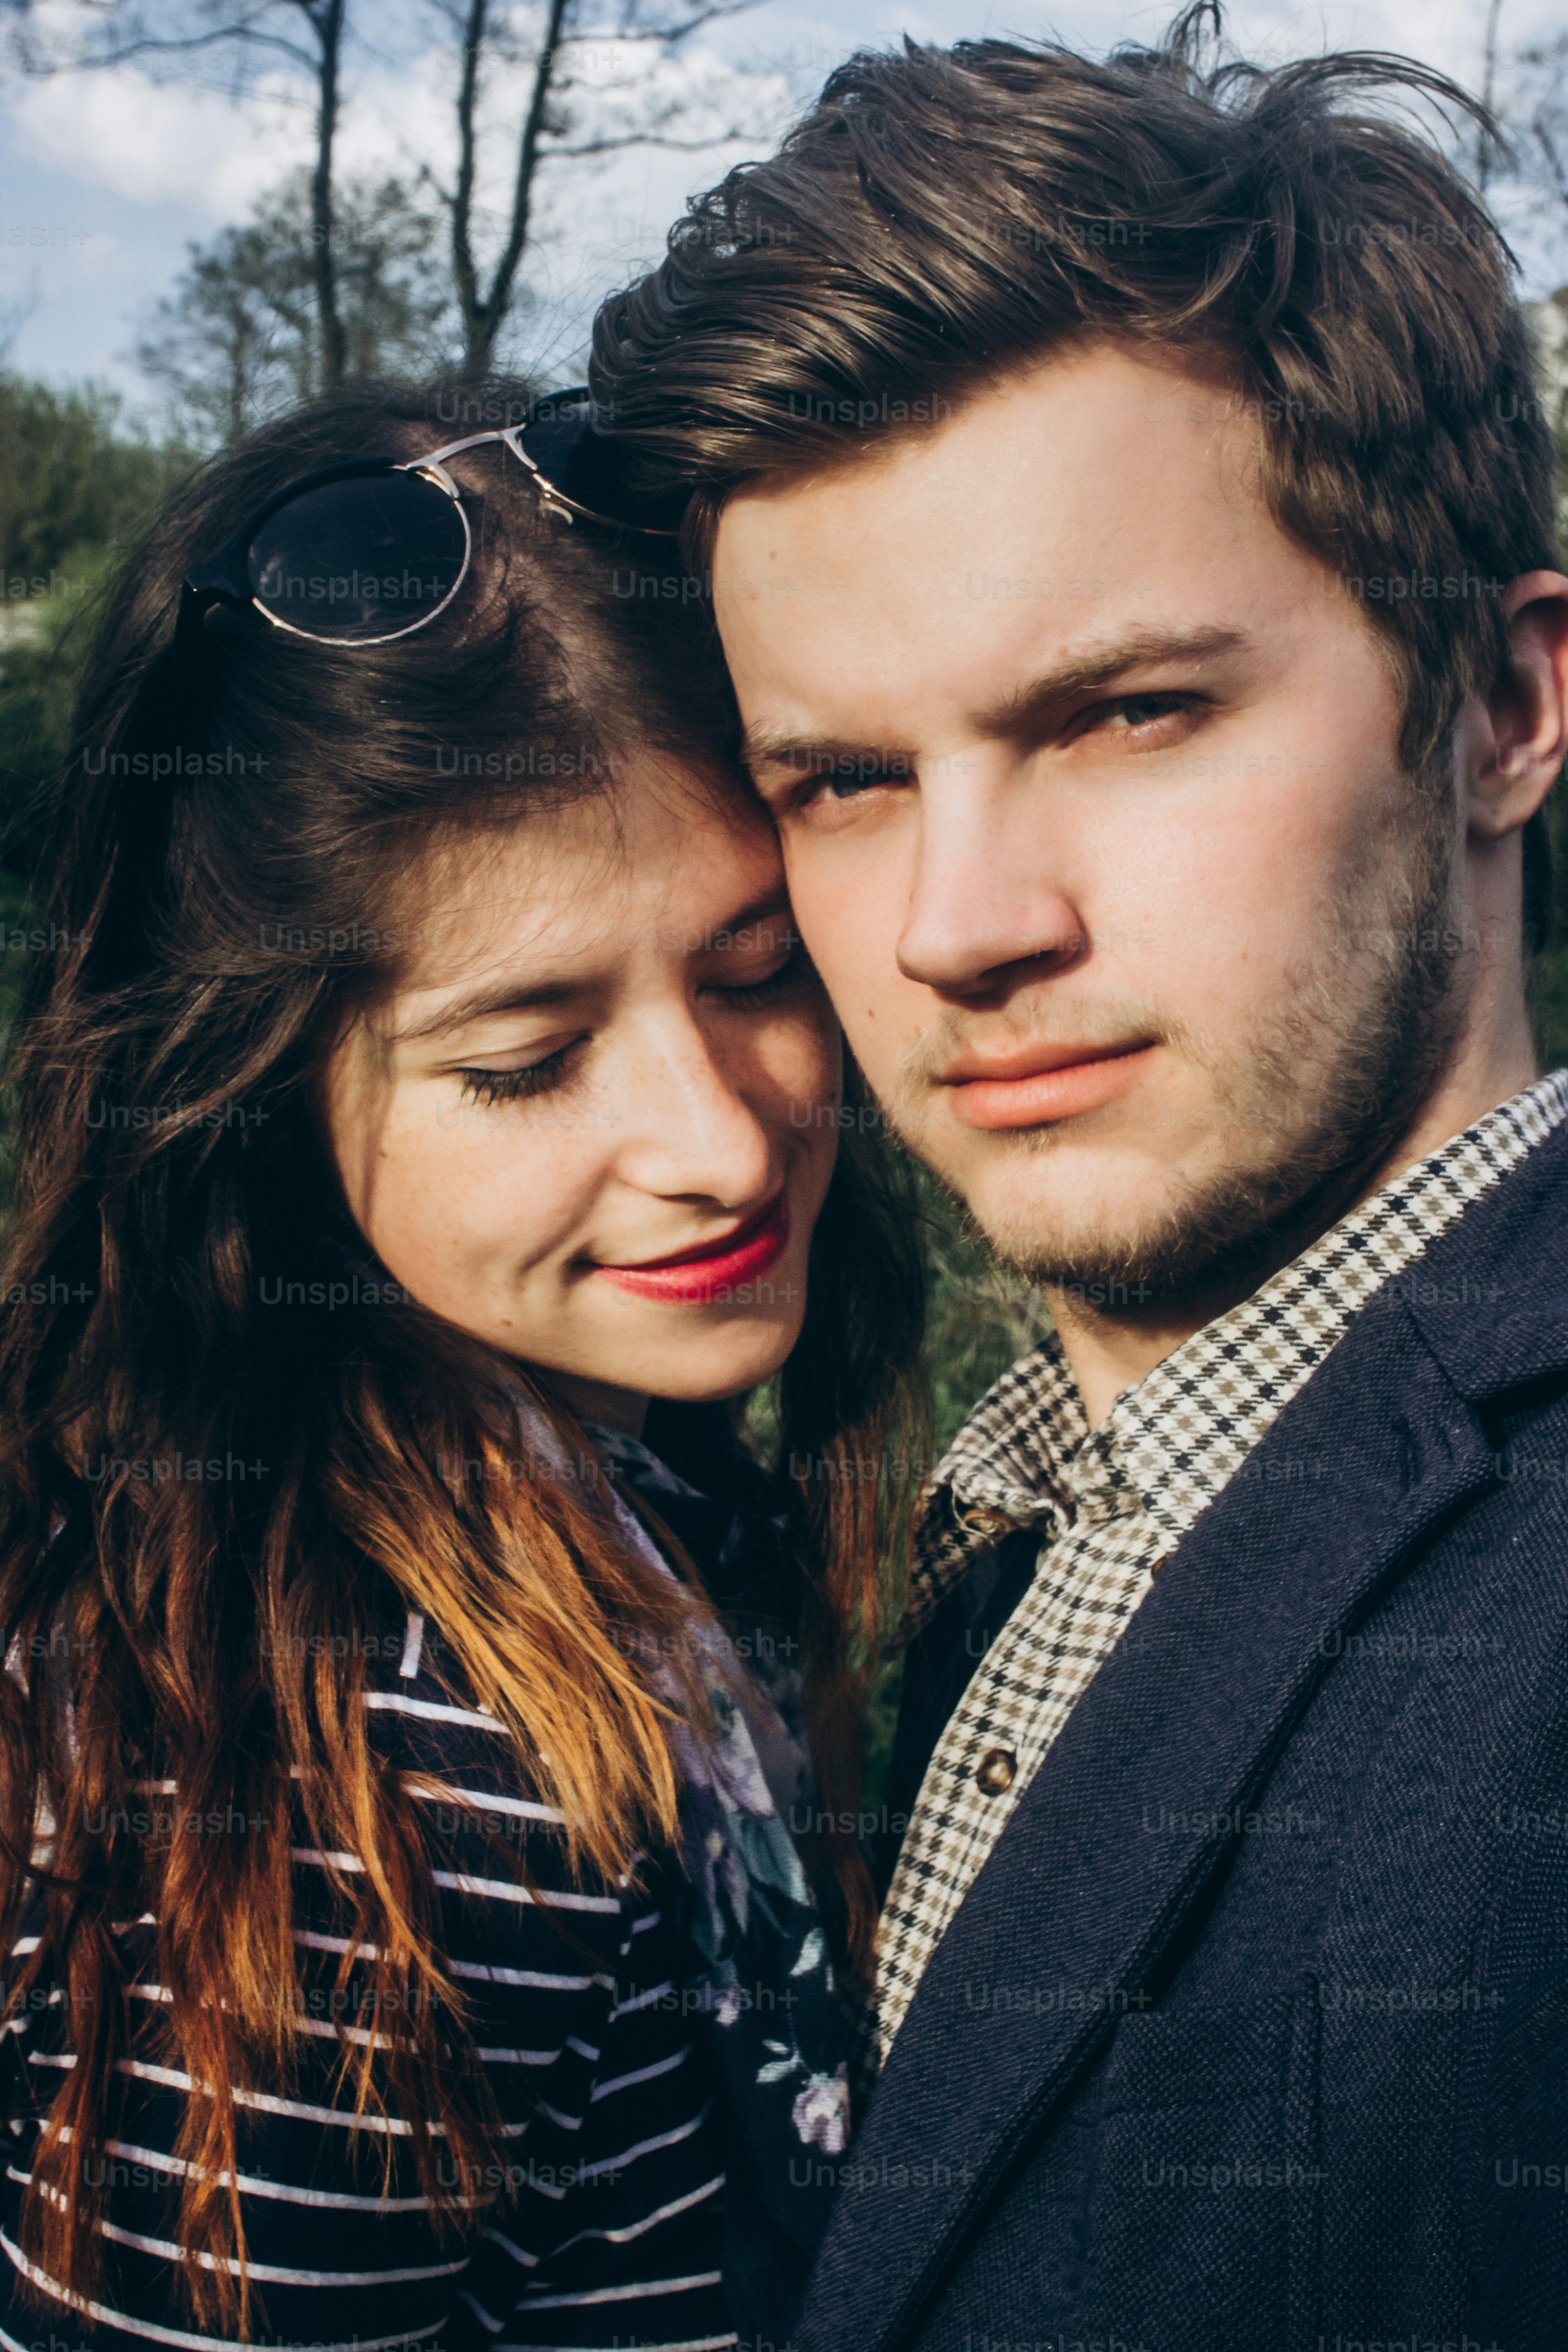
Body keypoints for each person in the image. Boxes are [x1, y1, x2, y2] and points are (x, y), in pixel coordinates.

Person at [589, 14, 1568, 2349]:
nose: (957, 927)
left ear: (1504, 707)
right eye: (841, 780)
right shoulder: (943, 1531)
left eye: (1129, 713)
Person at [0, 377, 923, 2350]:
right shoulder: (368, 1814)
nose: (722, 1142)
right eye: (527, 1059)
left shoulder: (640, 1508)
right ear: (260, 1102)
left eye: (760, 970)